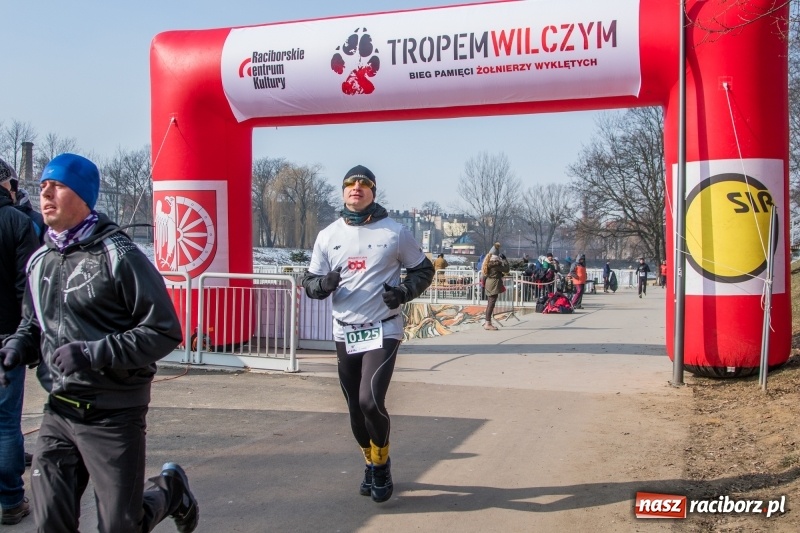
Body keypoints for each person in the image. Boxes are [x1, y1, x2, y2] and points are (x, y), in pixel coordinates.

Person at [0, 153, 199, 532]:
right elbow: (33, 322)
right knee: (50, 522)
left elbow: (163, 330)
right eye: (42, 186)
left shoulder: (119, 254)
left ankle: (170, 490)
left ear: (84, 196)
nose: (45, 193)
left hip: (113, 412)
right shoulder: (40, 259)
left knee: (120, 525)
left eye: (57, 185)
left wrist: (93, 353)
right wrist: (15, 348)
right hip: (59, 409)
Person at [301, 165, 433, 504]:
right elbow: (309, 282)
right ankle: (370, 462)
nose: (356, 187)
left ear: (373, 192)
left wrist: (403, 292)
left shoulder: (395, 232)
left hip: (383, 327)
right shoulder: (328, 235)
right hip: (345, 331)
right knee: (354, 410)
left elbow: (423, 269)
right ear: (343, 192)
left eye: (364, 183)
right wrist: (323, 285)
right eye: (350, 183)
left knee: (369, 400)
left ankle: (382, 463)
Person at [0, 159, 39, 525]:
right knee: (6, 423)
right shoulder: (16, 221)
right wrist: (27, 337)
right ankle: (10, 500)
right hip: (7, 339)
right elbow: (26, 287)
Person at [481, 250, 509, 330]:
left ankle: (487, 322)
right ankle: (488, 323)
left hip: (489, 284)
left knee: (490, 303)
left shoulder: (488, 264)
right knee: (491, 304)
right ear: (496, 259)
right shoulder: (495, 265)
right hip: (494, 285)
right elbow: (506, 269)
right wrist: (505, 260)